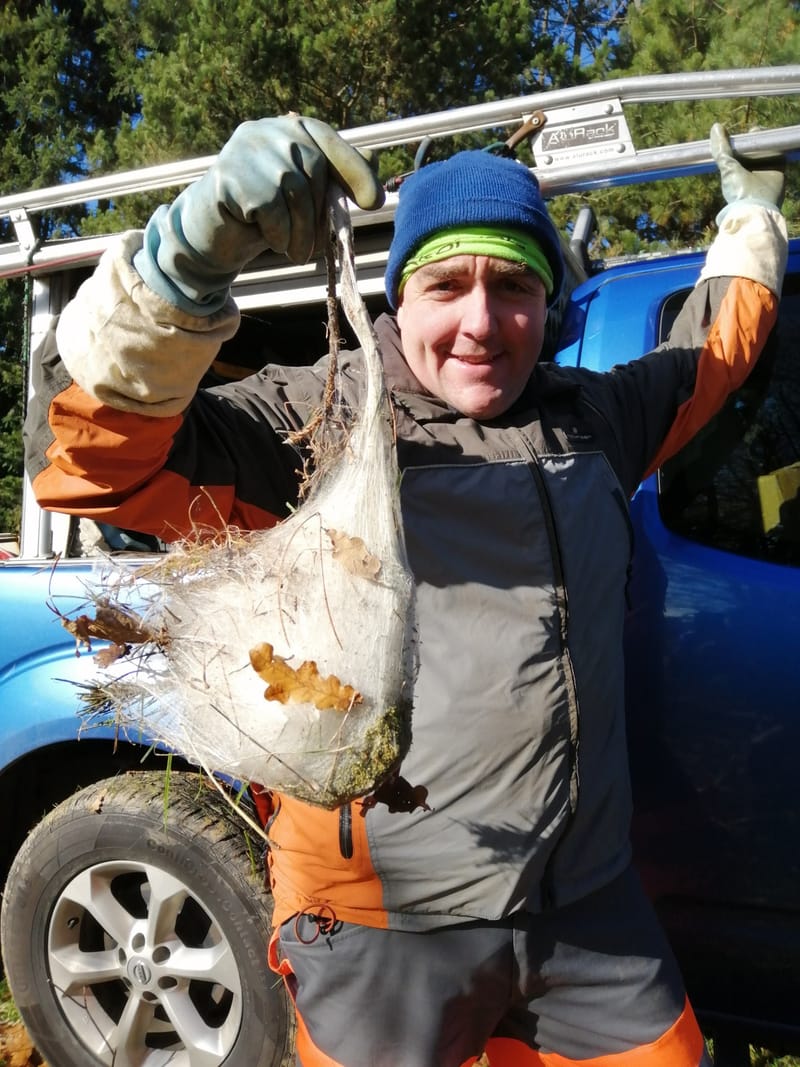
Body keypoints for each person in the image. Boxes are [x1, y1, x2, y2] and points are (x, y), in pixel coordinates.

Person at [26, 114, 787, 1067]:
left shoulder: (593, 419)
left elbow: (711, 351)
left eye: (513, 285)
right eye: (448, 284)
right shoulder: (320, 420)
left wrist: (751, 221)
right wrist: (190, 254)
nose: (481, 321)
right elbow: (91, 460)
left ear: (547, 302)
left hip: (590, 912)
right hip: (380, 930)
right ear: (398, 295)